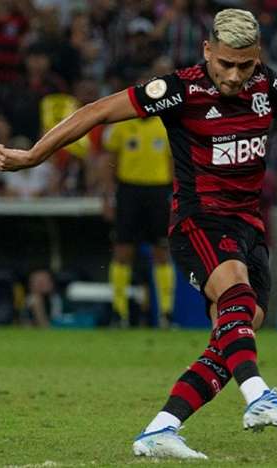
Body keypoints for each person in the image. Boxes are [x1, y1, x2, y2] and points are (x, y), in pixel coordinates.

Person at [0, 9, 277, 460]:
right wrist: (34, 155)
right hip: (199, 222)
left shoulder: (269, 85)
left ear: (258, 57)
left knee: (234, 333)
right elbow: (96, 111)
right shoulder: (179, 89)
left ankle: (161, 429)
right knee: (237, 300)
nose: (234, 75)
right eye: (225, 63)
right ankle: (260, 396)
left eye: (245, 65)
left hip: (249, 227)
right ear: (207, 50)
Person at [102, 78, 175, 327]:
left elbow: (174, 165)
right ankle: (118, 311)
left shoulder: (166, 126)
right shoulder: (122, 126)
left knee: (161, 251)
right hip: (128, 191)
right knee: (123, 251)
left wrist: (177, 195)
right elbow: (109, 162)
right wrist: (107, 196)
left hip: (158, 192)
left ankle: (165, 312)